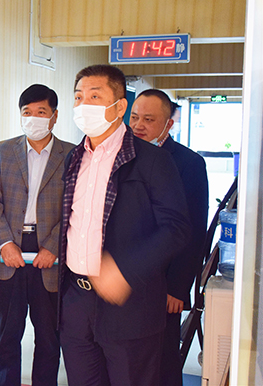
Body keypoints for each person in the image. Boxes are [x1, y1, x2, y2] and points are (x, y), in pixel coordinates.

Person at [58, 64, 191, 386]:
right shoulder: (74, 158)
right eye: (78, 97)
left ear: (119, 107)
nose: (83, 105)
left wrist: (124, 271)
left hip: (129, 304)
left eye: (94, 96)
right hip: (76, 300)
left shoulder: (152, 160)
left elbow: (176, 228)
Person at [0, 84, 74, 386]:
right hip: (10, 250)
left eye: (41, 112)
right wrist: (4, 243)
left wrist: (54, 246)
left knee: (49, 337)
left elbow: (75, 207)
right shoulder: (3, 150)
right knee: (7, 335)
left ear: (54, 116)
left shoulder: (71, 154)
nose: (33, 118)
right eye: (27, 112)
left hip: (50, 255)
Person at [129, 89, 208, 386]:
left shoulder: (189, 163)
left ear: (168, 124)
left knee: (161, 361)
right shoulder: (121, 156)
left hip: (164, 283)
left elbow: (194, 231)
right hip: (125, 277)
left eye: (149, 119)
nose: (139, 125)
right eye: (134, 117)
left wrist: (177, 287)